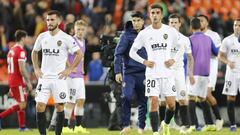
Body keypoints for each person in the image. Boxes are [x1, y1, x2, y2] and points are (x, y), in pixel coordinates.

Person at [130, 3, 182, 135]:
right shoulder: (144, 33)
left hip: (168, 74)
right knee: (153, 102)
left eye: (157, 13)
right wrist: (144, 61)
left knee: (172, 105)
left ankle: (165, 123)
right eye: (152, 13)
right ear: (149, 14)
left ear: (162, 15)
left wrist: (173, 59)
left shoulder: (170, 31)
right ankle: (155, 132)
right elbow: (132, 52)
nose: (155, 15)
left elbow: (181, 46)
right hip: (152, 74)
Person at [31, 10, 82, 135]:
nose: (49, 22)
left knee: (59, 107)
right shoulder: (42, 36)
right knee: (39, 106)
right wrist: (36, 69)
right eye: (48, 20)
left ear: (59, 21)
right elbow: (34, 52)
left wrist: (69, 69)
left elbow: (79, 54)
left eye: (52, 20)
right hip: (44, 77)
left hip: (59, 78)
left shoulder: (66, 38)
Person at [159, 13, 194, 134]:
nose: (173, 24)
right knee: (164, 102)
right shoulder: (162, 37)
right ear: (168, 24)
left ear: (180, 23)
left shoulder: (185, 39)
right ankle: (162, 124)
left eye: (175, 22)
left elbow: (190, 58)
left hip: (179, 73)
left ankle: (184, 126)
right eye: (171, 22)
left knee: (183, 100)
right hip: (165, 72)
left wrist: (190, 73)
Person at [114, 11, 147, 134]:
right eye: (134, 21)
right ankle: (126, 125)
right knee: (126, 97)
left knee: (143, 100)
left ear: (143, 21)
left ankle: (141, 127)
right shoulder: (126, 35)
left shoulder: (147, 34)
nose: (136, 23)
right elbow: (118, 53)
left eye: (138, 20)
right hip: (129, 73)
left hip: (144, 72)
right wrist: (117, 71)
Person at [187, 17, 218, 132]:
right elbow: (216, 53)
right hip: (206, 72)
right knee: (202, 98)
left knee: (191, 98)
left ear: (191, 27)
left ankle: (192, 125)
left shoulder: (189, 39)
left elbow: (189, 58)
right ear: (200, 27)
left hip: (194, 72)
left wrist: (189, 73)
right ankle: (210, 124)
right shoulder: (209, 38)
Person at [0, 30, 32, 131]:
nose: (27, 39)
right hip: (18, 81)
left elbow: (12, 68)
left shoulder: (11, 50)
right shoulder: (21, 51)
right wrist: (28, 82)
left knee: (22, 103)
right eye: (26, 37)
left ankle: (22, 127)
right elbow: (22, 69)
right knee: (22, 104)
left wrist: (11, 86)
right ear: (23, 38)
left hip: (14, 80)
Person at [62, 19, 90, 133]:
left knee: (81, 100)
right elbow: (64, 55)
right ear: (74, 29)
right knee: (70, 101)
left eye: (82, 29)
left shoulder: (83, 41)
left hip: (79, 76)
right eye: (78, 29)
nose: (80, 31)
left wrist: (82, 68)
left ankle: (78, 126)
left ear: (85, 30)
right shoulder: (71, 40)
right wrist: (70, 68)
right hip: (72, 77)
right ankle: (65, 127)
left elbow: (81, 58)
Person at [198, 14, 224, 131]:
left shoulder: (214, 35)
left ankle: (219, 119)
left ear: (207, 23)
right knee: (201, 97)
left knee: (207, 94)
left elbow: (218, 52)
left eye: (202, 21)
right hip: (199, 69)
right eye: (198, 21)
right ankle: (209, 124)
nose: (200, 23)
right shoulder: (196, 35)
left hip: (211, 68)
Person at [48, 22, 75, 131]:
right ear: (71, 30)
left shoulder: (70, 40)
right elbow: (65, 57)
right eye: (74, 29)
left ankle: (56, 124)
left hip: (68, 74)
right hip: (65, 74)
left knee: (64, 100)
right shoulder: (66, 40)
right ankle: (58, 124)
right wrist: (70, 68)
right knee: (63, 100)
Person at [218, 18, 240, 132]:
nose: (237, 27)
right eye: (235, 25)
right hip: (231, 73)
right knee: (231, 97)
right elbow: (220, 56)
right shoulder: (227, 40)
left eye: (239, 25)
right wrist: (228, 62)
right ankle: (232, 125)